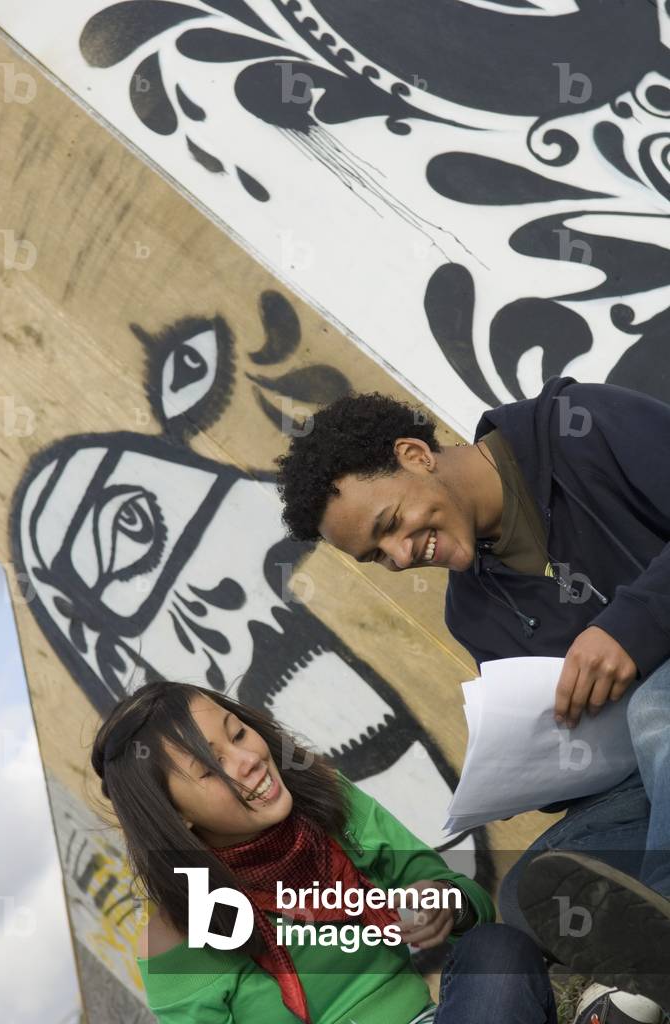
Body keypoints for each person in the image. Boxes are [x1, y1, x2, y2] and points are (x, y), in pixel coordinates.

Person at [275, 376, 670, 1009]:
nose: (401, 557)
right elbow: (596, 774)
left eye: (391, 524)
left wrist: (632, 627)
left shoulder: (580, 425)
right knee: (529, 892)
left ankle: (647, 978)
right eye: (378, 556)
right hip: (646, 774)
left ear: (414, 455)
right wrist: (544, 763)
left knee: (658, 708)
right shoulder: (473, 615)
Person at [91, 680, 563, 1024]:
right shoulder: (178, 933)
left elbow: (472, 907)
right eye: (211, 769)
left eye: (237, 735)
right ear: (177, 817)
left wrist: (443, 899)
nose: (249, 759)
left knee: (497, 949)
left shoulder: (326, 801)